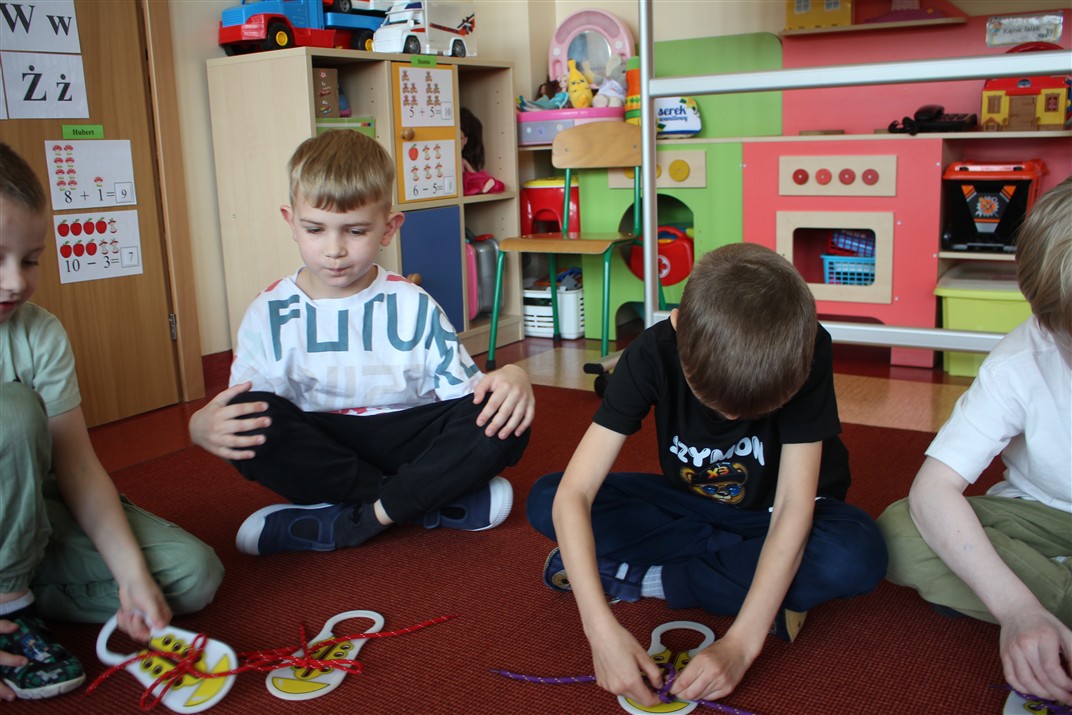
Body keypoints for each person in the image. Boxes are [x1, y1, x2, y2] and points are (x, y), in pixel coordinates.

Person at [527, 242, 887, 707]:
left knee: (855, 555)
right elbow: (575, 493)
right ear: (678, 327)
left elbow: (793, 508)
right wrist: (598, 630)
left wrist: (742, 643)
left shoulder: (808, 347)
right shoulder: (652, 352)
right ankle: (759, 581)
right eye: (711, 401)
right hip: (692, 508)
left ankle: (647, 579)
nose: (732, 419)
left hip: (777, 513)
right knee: (547, 498)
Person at [189, 129, 533, 557]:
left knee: (504, 413)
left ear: (388, 228)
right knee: (246, 416)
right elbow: (248, 410)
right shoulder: (267, 311)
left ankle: (355, 520)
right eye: (315, 229)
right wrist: (199, 426)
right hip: (324, 449)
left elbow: (469, 398)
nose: (334, 250)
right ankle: (422, 501)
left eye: (354, 231)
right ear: (291, 222)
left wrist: (513, 377)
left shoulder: (413, 303)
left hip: (405, 437)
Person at [0, 143, 224, 701]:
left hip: (29, 520)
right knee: (13, 413)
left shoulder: (39, 331)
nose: (15, 282)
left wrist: (131, 577)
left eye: (30, 260)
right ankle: (12, 604)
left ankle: (17, 593)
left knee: (193, 575)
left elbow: (76, 467)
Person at [878, 176, 1071, 706]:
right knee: (897, 533)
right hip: (1038, 518)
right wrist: (1017, 610)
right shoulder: (1020, 361)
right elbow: (932, 490)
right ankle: (1041, 605)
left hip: (1031, 554)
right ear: (1044, 319)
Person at [459, 107, 504, 196]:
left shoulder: (463, 160)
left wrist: (475, 175)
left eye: (460, 138)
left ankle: (485, 185)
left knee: (474, 181)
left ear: (466, 140)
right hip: (460, 182)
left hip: (465, 179)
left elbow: (472, 172)